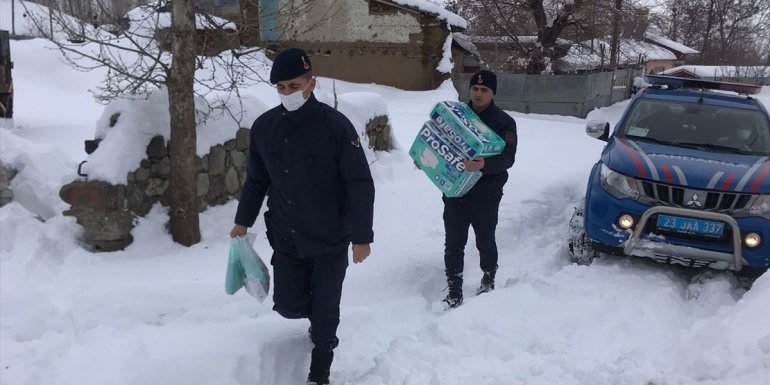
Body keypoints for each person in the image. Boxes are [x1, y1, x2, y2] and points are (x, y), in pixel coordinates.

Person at [230, 48, 375, 385]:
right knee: (288, 304)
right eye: (280, 87)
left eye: (294, 85)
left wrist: (361, 236)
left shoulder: (336, 126)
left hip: (329, 235)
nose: (287, 93)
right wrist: (243, 221)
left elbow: (360, 183)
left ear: (312, 83)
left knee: (325, 306)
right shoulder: (265, 128)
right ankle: (319, 323)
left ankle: (320, 366)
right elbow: (257, 180)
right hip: (286, 233)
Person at [442, 69, 517, 309]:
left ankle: (488, 277)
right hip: (455, 191)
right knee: (454, 242)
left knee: (485, 240)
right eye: (475, 88)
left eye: (484, 90)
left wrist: (485, 164)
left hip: (486, 193)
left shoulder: (504, 122)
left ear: (492, 92)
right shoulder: (457, 116)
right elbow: (441, 141)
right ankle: (454, 289)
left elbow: (508, 158)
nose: (478, 93)